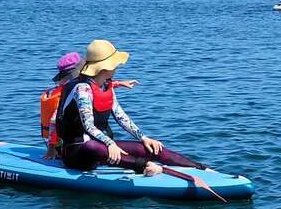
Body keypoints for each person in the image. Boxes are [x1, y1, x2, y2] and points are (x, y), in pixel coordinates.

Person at [56, 39, 204, 176]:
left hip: (104, 148)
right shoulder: (82, 89)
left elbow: (121, 117)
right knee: (92, 146)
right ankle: (148, 166)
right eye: (114, 63)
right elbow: (88, 125)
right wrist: (110, 143)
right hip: (77, 154)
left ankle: (200, 168)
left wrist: (144, 137)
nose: (117, 66)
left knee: (149, 148)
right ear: (104, 68)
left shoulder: (106, 85)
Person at [41, 52, 138, 159]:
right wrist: (51, 148)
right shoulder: (70, 92)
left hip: (79, 138)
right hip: (65, 145)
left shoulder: (76, 84)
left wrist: (119, 83)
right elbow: (54, 121)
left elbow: (97, 86)